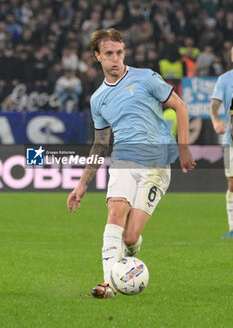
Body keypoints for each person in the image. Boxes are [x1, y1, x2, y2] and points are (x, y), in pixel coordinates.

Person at [67, 28, 196, 298]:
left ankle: (130, 253)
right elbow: (101, 144)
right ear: (97, 56)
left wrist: (183, 149)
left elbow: (180, 106)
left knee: (129, 236)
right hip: (124, 161)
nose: (116, 59)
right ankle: (108, 284)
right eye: (109, 54)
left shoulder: (146, 78)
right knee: (115, 213)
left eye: (120, 53)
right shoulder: (98, 99)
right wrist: (81, 184)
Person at [210, 46, 233, 239]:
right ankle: (232, 227)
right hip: (231, 139)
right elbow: (214, 105)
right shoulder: (225, 80)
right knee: (232, 184)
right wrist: (216, 121)